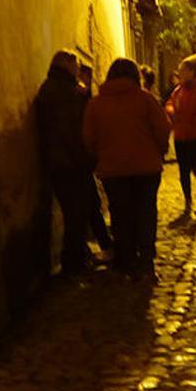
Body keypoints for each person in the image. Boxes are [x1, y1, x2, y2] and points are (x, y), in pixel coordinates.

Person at [83, 58, 171, 280]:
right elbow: (162, 128)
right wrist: (159, 152)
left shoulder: (96, 104)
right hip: (146, 169)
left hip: (113, 170)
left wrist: (101, 156)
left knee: (121, 215)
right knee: (146, 213)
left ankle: (127, 261)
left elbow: (88, 138)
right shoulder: (145, 100)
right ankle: (146, 263)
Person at [36, 50, 96, 275]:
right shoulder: (66, 93)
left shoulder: (49, 88)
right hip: (71, 162)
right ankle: (74, 263)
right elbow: (73, 129)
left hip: (56, 161)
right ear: (68, 66)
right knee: (76, 214)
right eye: (76, 65)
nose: (79, 70)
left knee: (74, 212)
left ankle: (76, 258)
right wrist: (87, 157)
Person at [165, 52, 196, 219]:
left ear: (192, 71)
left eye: (184, 70)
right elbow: (170, 103)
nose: (180, 73)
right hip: (180, 137)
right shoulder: (178, 90)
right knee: (183, 172)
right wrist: (172, 112)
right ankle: (187, 201)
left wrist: (193, 121)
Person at [77, 64, 115, 262]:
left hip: (106, 164)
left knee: (110, 206)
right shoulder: (81, 98)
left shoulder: (95, 102)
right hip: (79, 161)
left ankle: (112, 248)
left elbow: (89, 134)